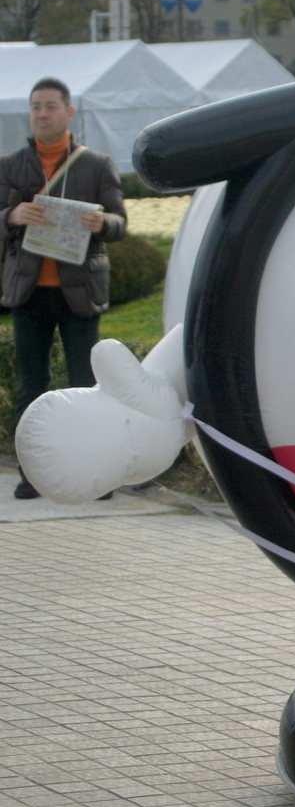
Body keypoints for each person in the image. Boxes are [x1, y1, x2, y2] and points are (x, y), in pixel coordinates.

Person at [0, 77, 126, 499]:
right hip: (28, 291)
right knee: (30, 386)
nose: (42, 114)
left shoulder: (96, 164)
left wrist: (102, 223)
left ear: (69, 113)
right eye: (36, 106)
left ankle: (94, 475)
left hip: (79, 291)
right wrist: (12, 216)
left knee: (86, 385)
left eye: (51, 106)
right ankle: (32, 474)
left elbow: (120, 223)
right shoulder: (12, 165)